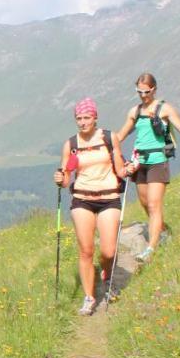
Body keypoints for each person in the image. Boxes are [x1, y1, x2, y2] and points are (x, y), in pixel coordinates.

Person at [113, 73, 180, 263]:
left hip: (158, 160)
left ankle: (151, 248)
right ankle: (164, 230)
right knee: (145, 204)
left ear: (154, 89)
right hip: (140, 162)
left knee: (154, 204)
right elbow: (120, 136)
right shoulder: (135, 112)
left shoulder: (164, 108)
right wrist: (102, 142)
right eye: (139, 91)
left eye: (146, 91)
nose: (143, 95)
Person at [54, 97, 128, 316]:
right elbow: (66, 178)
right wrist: (60, 179)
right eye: (79, 118)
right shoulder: (71, 145)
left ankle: (106, 275)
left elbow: (120, 169)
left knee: (108, 250)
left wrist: (130, 169)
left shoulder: (108, 138)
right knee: (86, 250)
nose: (82, 122)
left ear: (95, 118)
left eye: (87, 117)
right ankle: (89, 297)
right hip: (82, 199)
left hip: (109, 197)